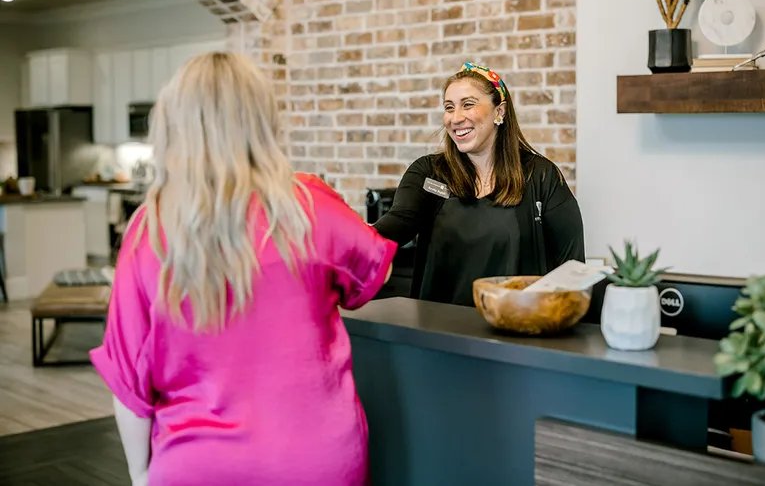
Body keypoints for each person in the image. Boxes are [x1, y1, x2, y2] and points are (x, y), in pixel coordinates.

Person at [89, 52, 397, 486]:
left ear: (175, 124)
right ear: (262, 122)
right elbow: (374, 274)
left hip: (198, 465)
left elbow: (129, 385)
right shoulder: (309, 205)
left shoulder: (149, 231)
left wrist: (141, 474)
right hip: (318, 462)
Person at [373, 62, 584, 307]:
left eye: (468, 104)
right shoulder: (429, 173)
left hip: (514, 331)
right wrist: (347, 237)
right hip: (438, 332)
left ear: (499, 111)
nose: (455, 118)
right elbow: (398, 222)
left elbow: (572, 268)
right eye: (449, 108)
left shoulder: (541, 177)